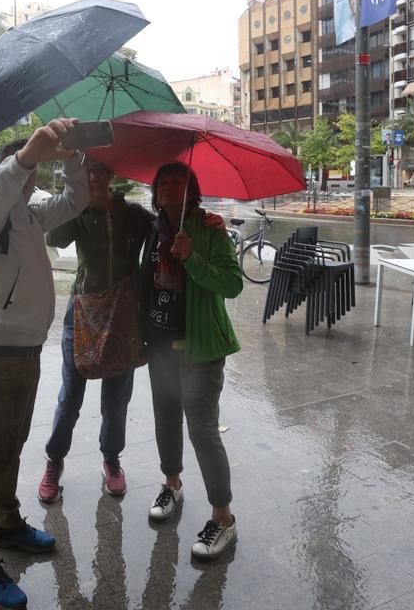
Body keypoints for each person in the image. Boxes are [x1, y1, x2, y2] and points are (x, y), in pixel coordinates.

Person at [38, 162, 228, 503]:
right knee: (70, 396)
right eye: (86, 173)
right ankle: (54, 461)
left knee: (116, 401)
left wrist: (205, 221)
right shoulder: (78, 211)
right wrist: (77, 200)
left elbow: (166, 227)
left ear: (111, 175)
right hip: (84, 314)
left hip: (123, 317)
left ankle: (111, 460)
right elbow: (55, 236)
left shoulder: (133, 214)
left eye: (99, 171)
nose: (93, 177)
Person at [0, 118, 89, 610]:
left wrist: (73, 156)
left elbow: (76, 201)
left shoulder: (30, 216)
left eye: (33, 175)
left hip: (28, 346)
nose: (31, 181)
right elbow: (1, 184)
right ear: (8, 171)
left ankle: (7, 522)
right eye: (25, 172)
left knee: (13, 444)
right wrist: (28, 154)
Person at [141, 162, 244, 561]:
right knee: (165, 419)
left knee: (202, 431)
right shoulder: (152, 232)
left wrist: (193, 257)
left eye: (177, 181)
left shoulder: (210, 229)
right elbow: (142, 287)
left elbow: (232, 284)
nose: (168, 186)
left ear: (192, 190)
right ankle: (172, 485)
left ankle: (224, 517)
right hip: (160, 346)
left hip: (200, 348)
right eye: (162, 180)